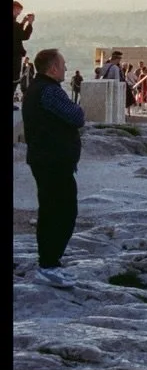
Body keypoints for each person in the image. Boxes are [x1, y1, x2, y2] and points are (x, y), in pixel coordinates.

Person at [22, 48, 84, 289]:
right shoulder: (49, 91)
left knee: (52, 210)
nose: (66, 68)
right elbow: (77, 116)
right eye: (63, 64)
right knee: (62, 212)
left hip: (46, 159)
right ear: (53, 68)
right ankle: (48, 264)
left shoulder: (38, 89)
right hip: (52, 160)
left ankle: (50, 263)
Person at [13, 1, 34, 88]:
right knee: (14, 78)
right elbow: (24, 36)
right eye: (18, 11)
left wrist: (23, 23)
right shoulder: (14, 25)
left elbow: (16, 33)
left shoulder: (15, 25)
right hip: (15, 55)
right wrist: (30, 23)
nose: (18, 13)